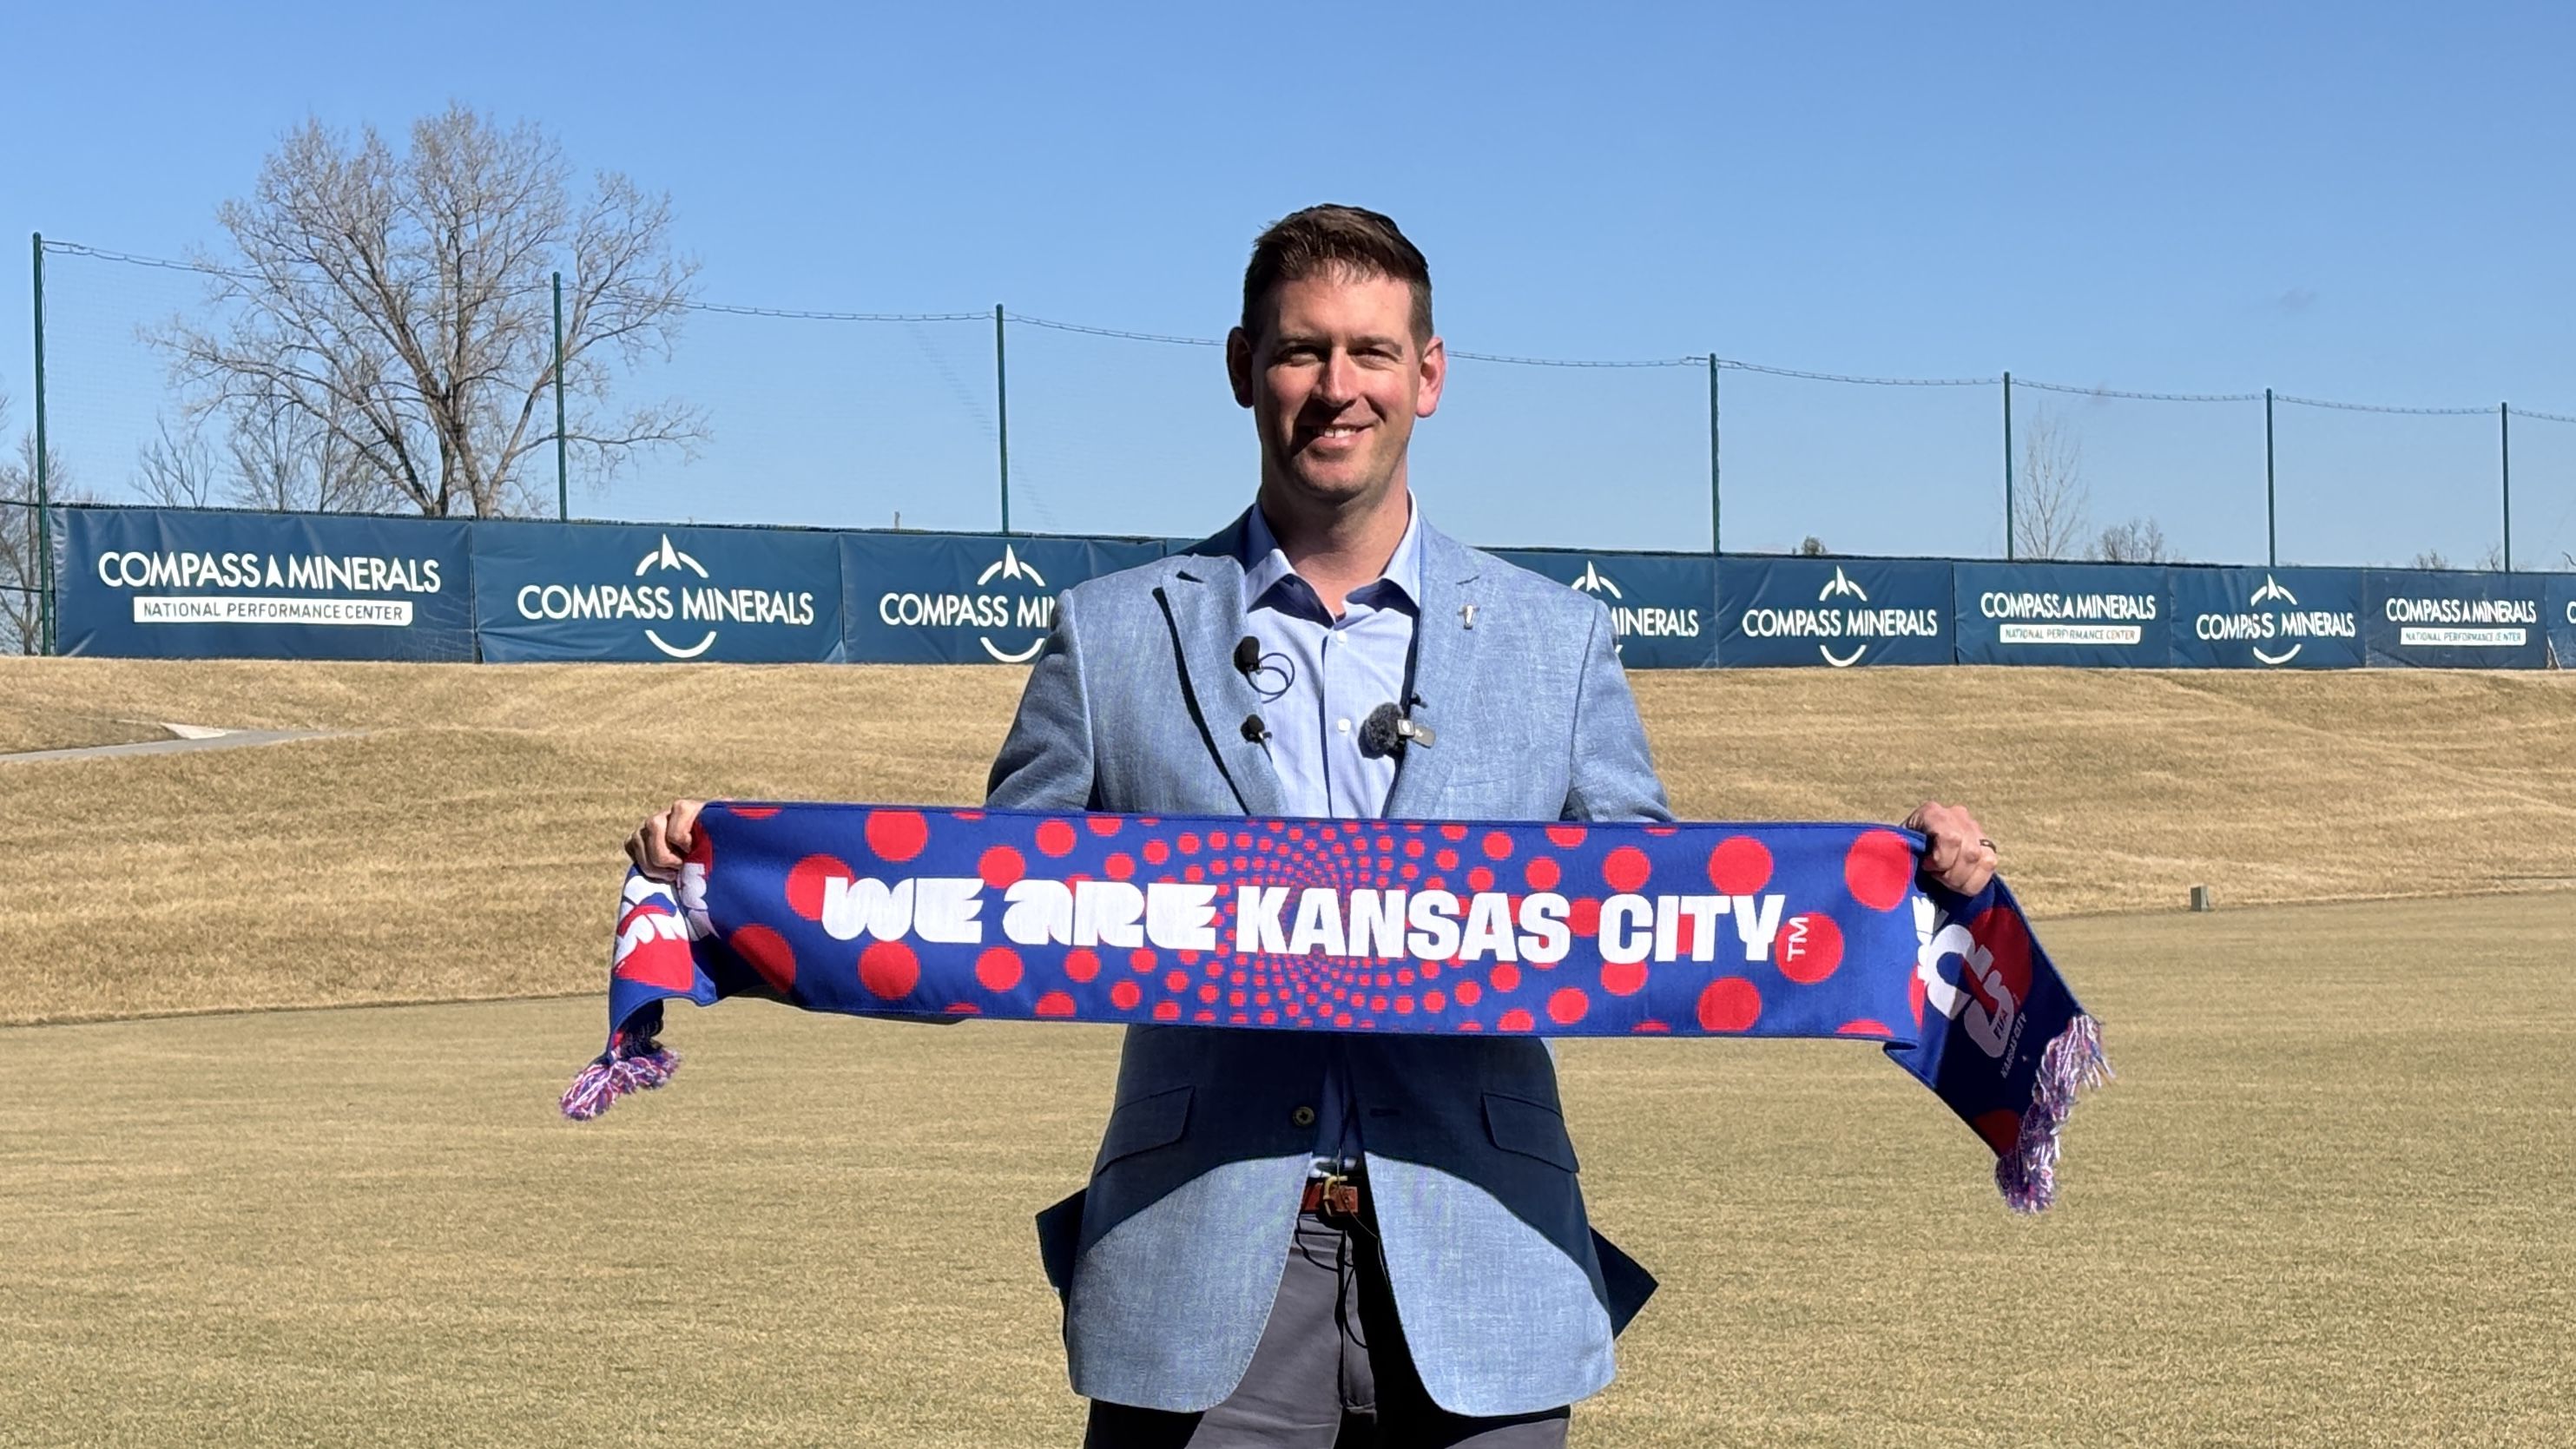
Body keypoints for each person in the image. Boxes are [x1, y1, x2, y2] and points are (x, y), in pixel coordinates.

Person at [628, 204, 1998, 1448]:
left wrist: (1904, 892)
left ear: (1430, 375)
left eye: (1370, 352)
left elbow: (1668, 921)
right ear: (1243, 366)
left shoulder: (1556, 641)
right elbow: (976, 915)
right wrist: (730, 884)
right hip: (1200, 1273)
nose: (1337, 387)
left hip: (1485, 1263)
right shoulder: (1112, 638)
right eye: (1301, 352)